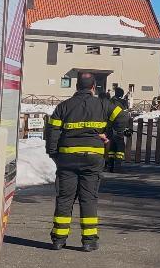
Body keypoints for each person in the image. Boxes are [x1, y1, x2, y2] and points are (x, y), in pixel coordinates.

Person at [45, 72, 128, 251]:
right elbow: (122, 117)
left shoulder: (63, 107)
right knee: (88, 198)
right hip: (93, 158)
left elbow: (52, 131)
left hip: (67, 158)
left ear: (76, 87)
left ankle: (58, 239)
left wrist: (53, 153)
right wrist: (108, 134)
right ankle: (89, 241)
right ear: (93, 87)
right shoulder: (104, 104)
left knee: (65, 198)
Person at [106, 87, 130, 173]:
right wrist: (126, 127)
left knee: (112, 147)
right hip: (119, 126)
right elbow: (124, 115)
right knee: (120, 147)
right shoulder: (122, 102)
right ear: (121, 94)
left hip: (110, 126)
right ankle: (118, 166)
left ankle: (110, 166)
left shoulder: (111, 101)